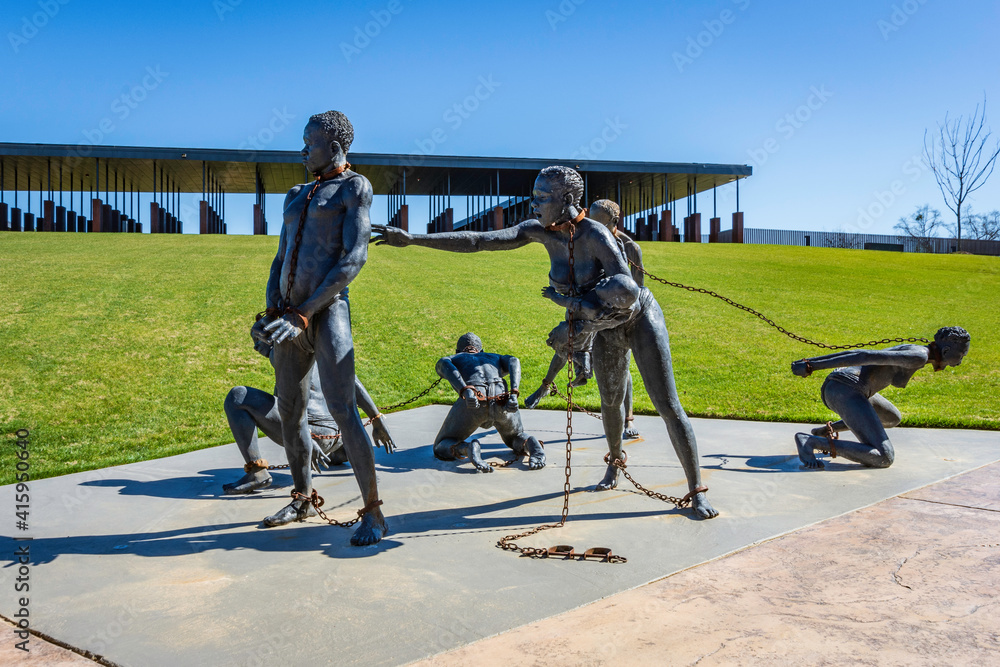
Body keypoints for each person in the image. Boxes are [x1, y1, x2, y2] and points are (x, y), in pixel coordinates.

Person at [372, 167, 716, 518]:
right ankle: (615, 463)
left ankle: (697, 490)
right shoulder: (537, 231)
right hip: (602, 328)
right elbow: (479, 241)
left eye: (542, 198)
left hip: (638, 319)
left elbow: (627, 291)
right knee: (610, 402)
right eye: (534, 195)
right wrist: (413, 239)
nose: (533, 204)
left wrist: (576, 312)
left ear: (567, 200)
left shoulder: (595, 234)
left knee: (667, 403)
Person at [255, 110, 387, 544]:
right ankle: (302, 497)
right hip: (288, 315)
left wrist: (304, 312)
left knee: (342, 409)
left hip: (328, 310)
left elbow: (354, 259)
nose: (302, 149)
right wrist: (272, 312)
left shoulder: (355, 187)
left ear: (333, 146)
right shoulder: (295, 193)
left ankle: (373, 512)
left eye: (309, 142)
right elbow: (280, 257)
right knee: (291, 412)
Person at [523, 199, 641, 439]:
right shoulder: (584, 235)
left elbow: (635, 292)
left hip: (614, 315)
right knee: (564, 343)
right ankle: (546, 386)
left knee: (622, 369)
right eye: (590, 218)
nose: (591, 225)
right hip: (586, 305)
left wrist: (607, 316)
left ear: (614, 222)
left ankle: (628, 420)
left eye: (599, 221)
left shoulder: (629, 248)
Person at [222, 331, 395, 495]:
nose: (256, 346)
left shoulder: (282, 353)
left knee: (237, 396)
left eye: (258, 339)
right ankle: (336, 453)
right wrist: (376, 419)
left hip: (313, 436)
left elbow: (290, 406)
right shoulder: (315, 348)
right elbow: (351, 380)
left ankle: (256, 472)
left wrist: (305, 438)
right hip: (337, 438)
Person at [791, 326, 970, 469]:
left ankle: (824, 431)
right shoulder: (919, 356)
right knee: (884, 457)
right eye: (961, 355)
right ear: (946, 351)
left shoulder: (921, 353)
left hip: (850, 389)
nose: (960, 362)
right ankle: (811, 442)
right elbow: (862, 355)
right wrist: (810, 365)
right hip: (844, 389)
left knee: (892, 418)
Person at [433, 332, 545, 472]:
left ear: (457, 351)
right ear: (481, 350)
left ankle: (467, 449)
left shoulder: (455, 357)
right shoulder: (493, 357)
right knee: (516, 436)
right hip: (501, 398)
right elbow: (514, 360)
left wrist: (465, 389)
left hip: (474, 398)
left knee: (441, 445)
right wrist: (514, 392)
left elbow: (442, 364)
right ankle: (531, 444)